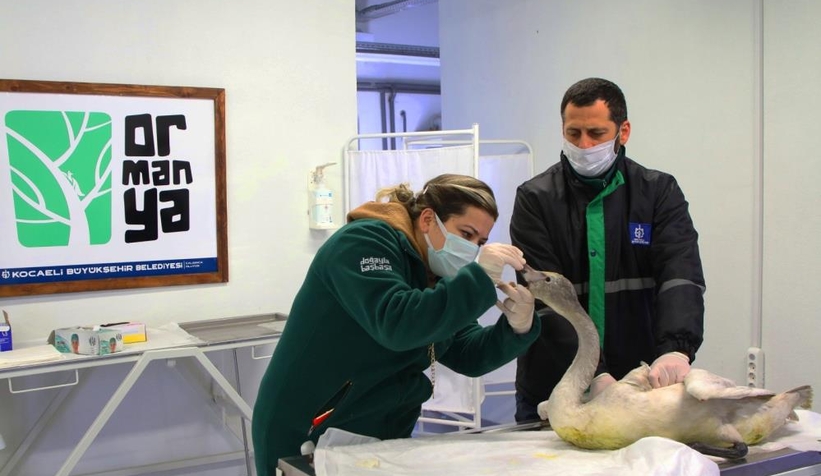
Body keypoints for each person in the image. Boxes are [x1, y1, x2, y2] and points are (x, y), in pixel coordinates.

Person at [253, 173, 541, 474]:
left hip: (384, 428)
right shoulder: (362, 243)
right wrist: (478, 281)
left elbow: (468, 353)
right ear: (428, 219)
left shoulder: (438, 273)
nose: (472, 250)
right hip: (313, 425)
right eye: (466, 234)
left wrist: (516, 328)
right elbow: (398, 325)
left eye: (480, 242)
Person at [510, 77, 705, 422]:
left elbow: (680, 276)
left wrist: (676, 348)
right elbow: (546, 299)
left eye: (596, 133)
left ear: (623, 131)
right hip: (555, 383)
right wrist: (592, 372)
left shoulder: (658, 193)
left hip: (640, 384)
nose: (584, 145)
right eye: (573, 133)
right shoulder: (535, 199)